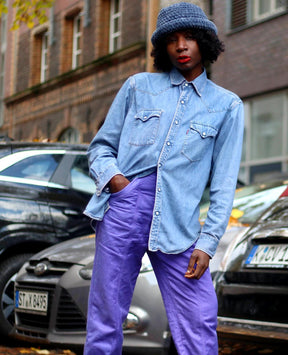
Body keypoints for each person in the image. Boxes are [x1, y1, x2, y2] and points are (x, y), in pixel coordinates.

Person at [82, 3, 243, 354]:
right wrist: (117, 183)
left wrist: (208, 241)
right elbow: (100, 149)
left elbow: (224, 181)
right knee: (106, 315)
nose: (181, 46)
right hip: (124, 208)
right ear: (162, 48)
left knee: (199, 318)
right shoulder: (139, 87)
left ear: (205, 43)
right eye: (172, 40)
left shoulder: (227, 106)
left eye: (189, 38)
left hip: (179, 218)